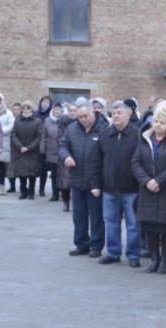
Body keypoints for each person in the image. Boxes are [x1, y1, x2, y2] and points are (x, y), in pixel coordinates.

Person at [132, 106, 166, 274]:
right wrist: (147, 181)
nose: (158, 125)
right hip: (147, 190)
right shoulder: (144, 139)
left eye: (162, 122)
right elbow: (136, 162)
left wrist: (159, 181)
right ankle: (154, 259)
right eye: (156, 122)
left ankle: (165, 261)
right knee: (150, 227)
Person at [91, 101, 141, 267]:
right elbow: (97, 161)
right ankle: (113, 253)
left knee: (133, 225)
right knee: (111, 223)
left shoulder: (138, 135)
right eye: (113, 113)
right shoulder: (105, 135)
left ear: (128, 115)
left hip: (132, 189)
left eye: (120, 113)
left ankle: (133, 255)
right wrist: (96, 184)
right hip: (109, 189)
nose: (116, 116)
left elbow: (143, 162)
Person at [59, 98, 107, 258]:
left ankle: (96, 246)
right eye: (80, 117)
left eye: (86, 116)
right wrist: (66, 156)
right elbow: (63, 146)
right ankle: (81, 244)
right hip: (77, 178)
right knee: (78, 215)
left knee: (96, 216)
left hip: (95, 181)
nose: (83, 120)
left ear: (93, 113)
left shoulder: (104, 129)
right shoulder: (72, 129)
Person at [10, 101, 42, 200]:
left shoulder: (37, 121)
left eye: (28, 108)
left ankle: (31, 192)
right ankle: (23, 192)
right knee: (22, 174)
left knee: (32, 174)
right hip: (20, 152)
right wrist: (20, 147)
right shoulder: (17, 121)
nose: (26, 110)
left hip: (32, 152)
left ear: (32, 110)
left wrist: (29, 148)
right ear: (22, 110)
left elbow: (39, 137)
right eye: (24, 108)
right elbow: (13, 135)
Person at [0, 92, 14, 195]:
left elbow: (11, 125)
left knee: (2, 165)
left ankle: (2, 186)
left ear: (2, 100)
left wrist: (0, 131)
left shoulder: (8, 112)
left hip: (4, 141)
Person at [40, 102, 64, 201]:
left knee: (62, 174)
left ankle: (64, 192)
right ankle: (55, 194)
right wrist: (42, 150)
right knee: (54, 174)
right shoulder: (47, 121)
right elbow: (43, 136)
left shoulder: (64, 121)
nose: (57, 111)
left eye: (59, 109)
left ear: (61, 111)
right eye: (55, 109)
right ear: (52, 110)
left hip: (63, 151)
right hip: (51, 151)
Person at [35, 95, 53, 197]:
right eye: (43, 102)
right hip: (35, 144)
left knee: (43, 169)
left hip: (46, 145)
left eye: (47, 102)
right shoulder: (35, 114)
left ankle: (41, 188)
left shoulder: (51, 115)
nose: (45, 104)